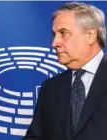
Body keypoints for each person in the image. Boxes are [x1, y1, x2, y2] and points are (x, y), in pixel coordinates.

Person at [23, 2, 107, 140]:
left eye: (63, 33)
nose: (54, 43)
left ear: (91, 35)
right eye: (54, 34)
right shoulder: (50, 88)